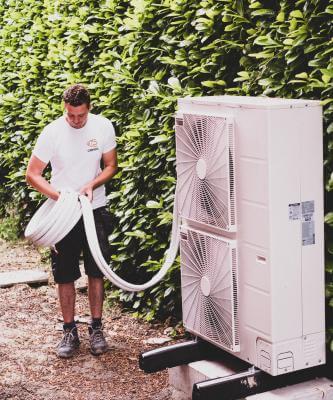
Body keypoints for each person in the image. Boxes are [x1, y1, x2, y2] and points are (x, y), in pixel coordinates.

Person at [26, 84, 118, 358]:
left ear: (88, 109)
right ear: (64, 109)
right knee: (64, 273)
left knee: (96, 269)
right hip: (64, 215)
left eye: (80, 116)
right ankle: (69, 330)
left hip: (95, 209)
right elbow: (33, 174)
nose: (76, 121)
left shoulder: (102, 127)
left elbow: (111, 165)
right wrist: (62, 197)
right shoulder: (52, 132)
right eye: (70, 115)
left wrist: (92, 184)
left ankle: (97, 328)